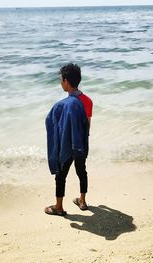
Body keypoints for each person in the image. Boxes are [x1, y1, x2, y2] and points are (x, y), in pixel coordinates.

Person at [44, 63, 93, 216]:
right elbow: (87, 125)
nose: (60, 82)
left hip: (67, 144)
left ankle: (59, 207)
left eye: (61, 80)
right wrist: (83, 143)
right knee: (81, 171)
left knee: (61, 175)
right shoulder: (87, 101)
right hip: (81, 143)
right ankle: (83, 201)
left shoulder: (64, 105)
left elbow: (56, 124)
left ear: (66, 81)